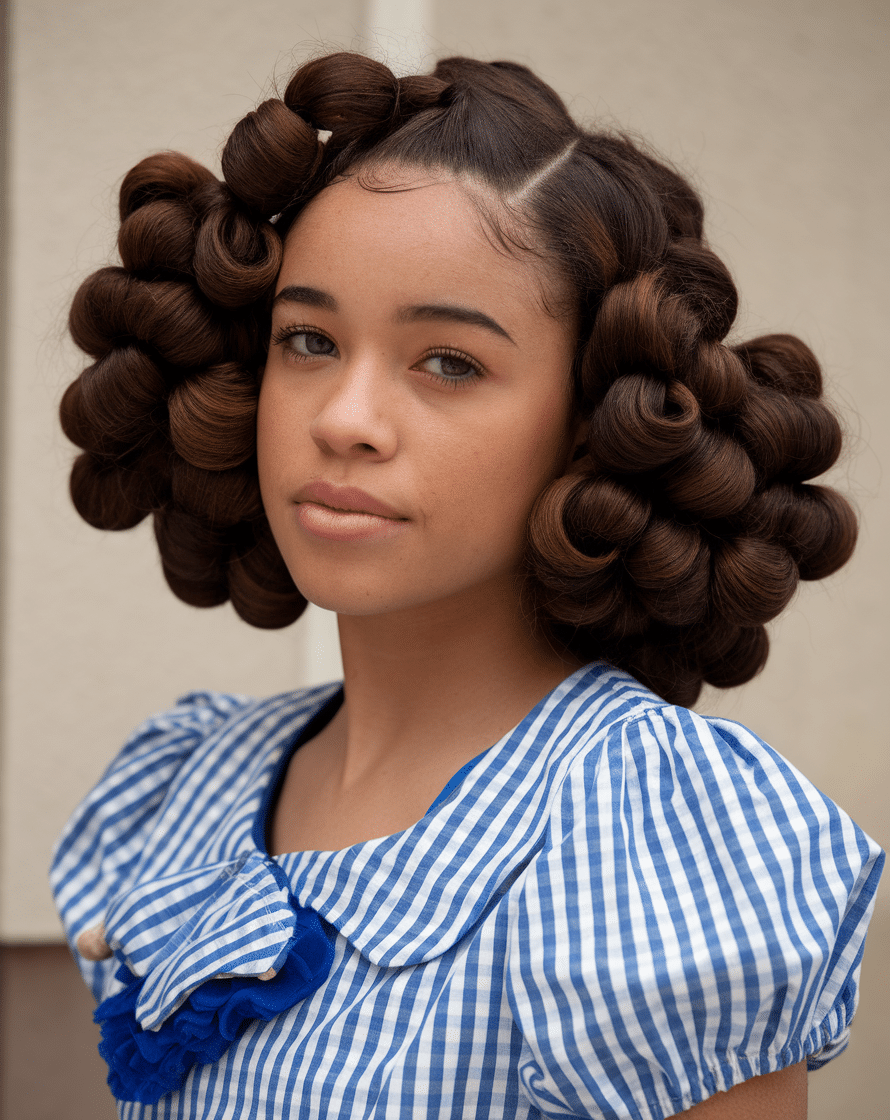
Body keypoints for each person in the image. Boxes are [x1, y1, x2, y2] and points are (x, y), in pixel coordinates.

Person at [50, 50, 882, 1119]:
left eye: (448, 362)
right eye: (306, 339)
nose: (342, 417)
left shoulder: (642, 831)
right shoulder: (186, 789)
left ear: (592, 421)